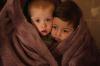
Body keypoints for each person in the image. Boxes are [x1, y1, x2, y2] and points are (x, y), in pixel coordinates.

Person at [50, 0, 100, 66]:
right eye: (54, 27)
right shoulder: (51, 40)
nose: (58, 34)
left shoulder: (80, 55)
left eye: (65, 31)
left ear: (76, 31)